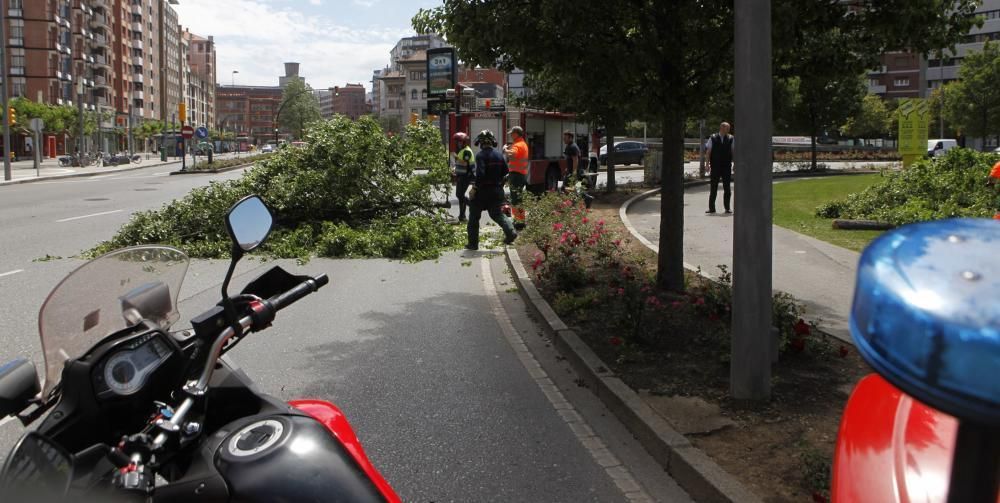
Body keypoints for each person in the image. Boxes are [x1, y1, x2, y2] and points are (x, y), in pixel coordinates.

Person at [467, 129, 517, 250]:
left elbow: (480, 175)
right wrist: (500, 185)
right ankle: (511, 232)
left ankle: (473, 244)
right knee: (497, 214)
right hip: (496, 191)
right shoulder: (499, 155)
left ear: (481, 142)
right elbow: (506, 172)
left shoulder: (480, 155)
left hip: (482, 192)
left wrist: (474, 189)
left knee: (474, 217)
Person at [503, 126, 529, 228]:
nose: (510, 135)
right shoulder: (522, 144)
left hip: (516, 175)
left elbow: (512, 155)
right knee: (518, 199)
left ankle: (519, 222)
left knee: (515, 199)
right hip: (520, 174)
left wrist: (505, 149)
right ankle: (520, 220)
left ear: (516, 134)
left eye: (511, 133)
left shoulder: (518, 145)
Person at [706, 122, 734, 214]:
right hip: (715, 166)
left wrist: (735, 164)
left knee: (727, 188)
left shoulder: (731, 138)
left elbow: (733, 151)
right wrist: (707, 165)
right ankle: (711, 208)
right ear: (722, 128)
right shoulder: (712, 138)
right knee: (713, 187)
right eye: (727, 128)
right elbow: (708, 152)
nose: (729, 130)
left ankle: (727, 208)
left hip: (726, 166)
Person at [452, 132, 475, 222]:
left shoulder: (467, 151)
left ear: (464, 142)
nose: (458, 143)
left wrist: (456, 158)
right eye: (457, 142)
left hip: (466, 176)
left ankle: (472, 206)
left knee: (460, 195)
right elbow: (461, 164)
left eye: (460, 142)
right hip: (461, 176)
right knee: (460, 196)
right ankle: (462, 216)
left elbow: (465, 162)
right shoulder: (462, 150)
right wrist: (455, 170)